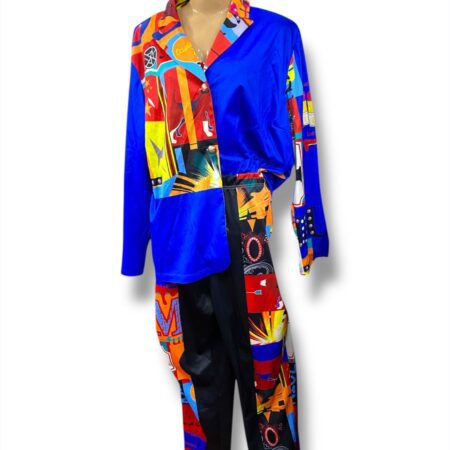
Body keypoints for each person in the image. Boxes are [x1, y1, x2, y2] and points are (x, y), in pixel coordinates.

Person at [121, 0, 330, 448]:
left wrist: (309, 225)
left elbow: (303, 129)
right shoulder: (148, 37)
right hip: (178, 230)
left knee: (266, 377)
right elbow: (139, 143)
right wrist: (134, 244)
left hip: (246, 220)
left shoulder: (275, 33)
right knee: (199, 389)